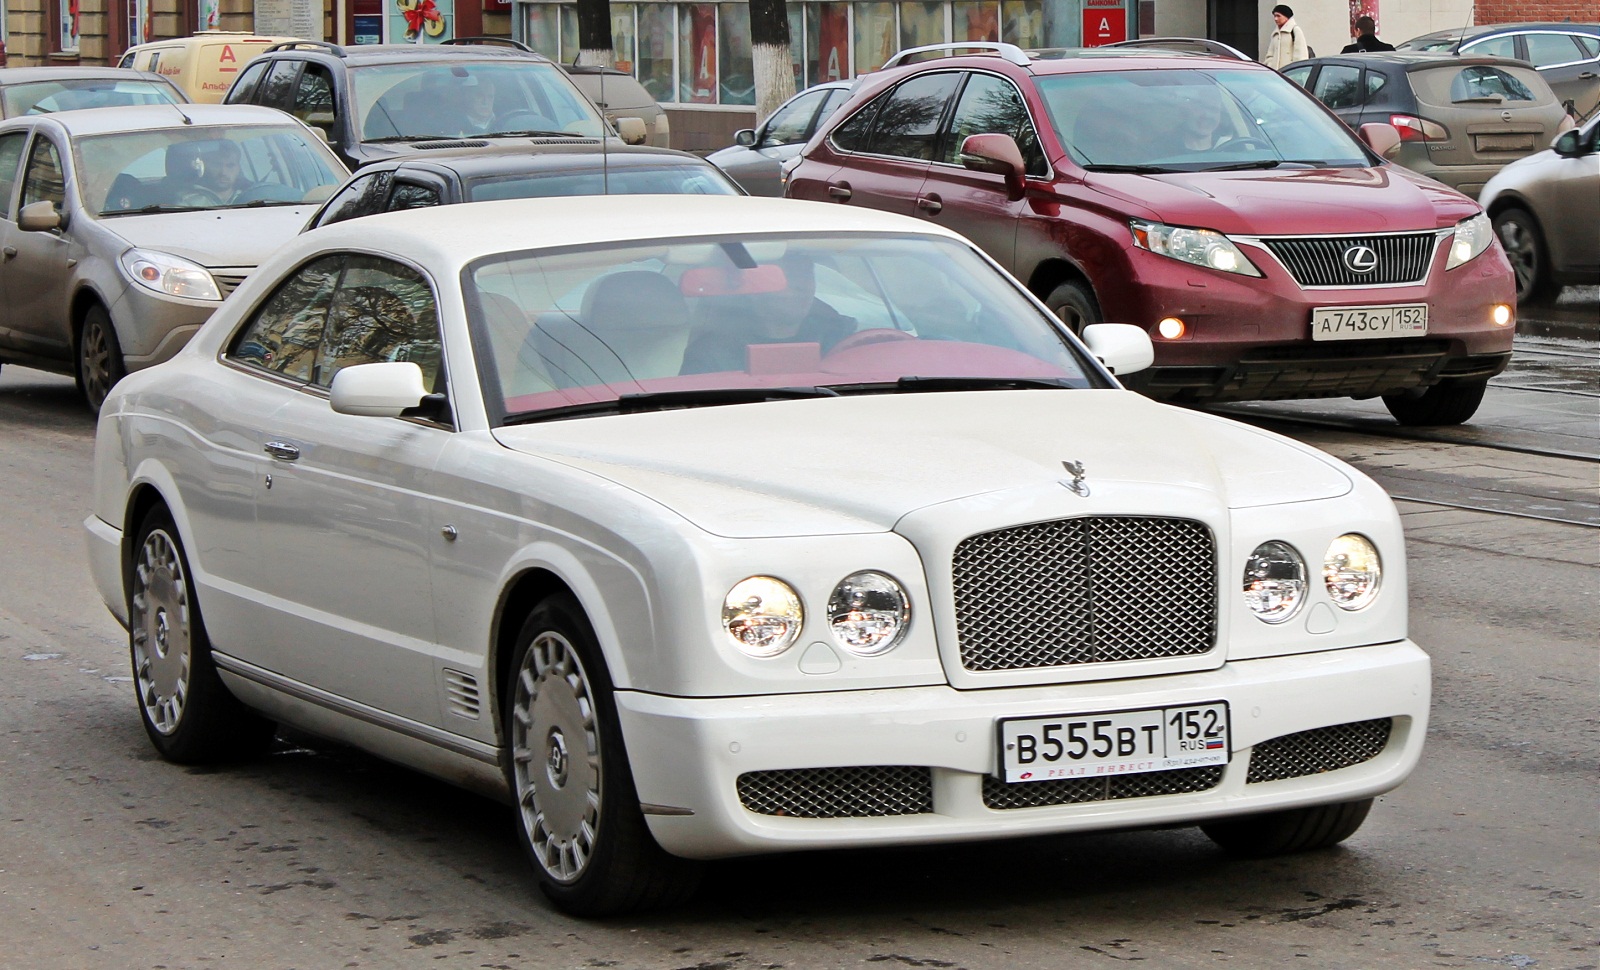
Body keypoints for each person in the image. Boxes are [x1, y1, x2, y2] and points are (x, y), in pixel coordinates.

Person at [680, 255, 855, 374]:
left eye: (807, 276)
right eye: (788, 278)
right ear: (755, 290)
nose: (802, 287)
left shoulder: (840, 340)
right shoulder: (713, 354)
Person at [1263, 4, 1310, 70]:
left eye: (1278, 16)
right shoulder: (1275, 34)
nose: (1275, 19)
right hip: (1275, 74)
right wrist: (1270, 65)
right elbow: (1270, 55)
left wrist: (1297, 71)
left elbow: (1301, 54)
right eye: (1274, 16)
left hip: (1290, 73)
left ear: (1286, 17)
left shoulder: (1295, 30)